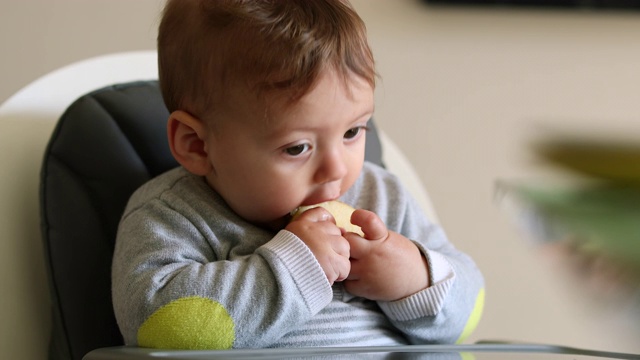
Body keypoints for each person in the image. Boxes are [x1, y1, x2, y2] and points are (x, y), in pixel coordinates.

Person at [112, 0, 485, 350]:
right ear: (197, 145)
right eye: (297, 148)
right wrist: (294, 269)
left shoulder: (382, 196)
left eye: (352, 132)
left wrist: (415, 278)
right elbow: (155, 325)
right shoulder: (172, 215)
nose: (337, 169)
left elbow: (470, 311)